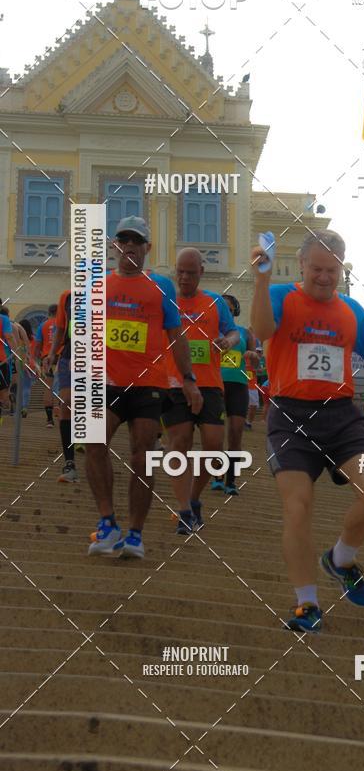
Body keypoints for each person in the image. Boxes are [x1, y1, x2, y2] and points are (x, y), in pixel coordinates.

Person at [250, 230, 364, 633]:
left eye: (332, 270)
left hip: (340, 415)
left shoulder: (351, 310)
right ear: (301, 265)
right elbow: (263, 331)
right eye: (317, 269)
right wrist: (262, 280)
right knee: (298, 506)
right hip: (290, 415)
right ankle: (307, 604)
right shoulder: (282, 296)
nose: (324, 277)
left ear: (342, 268)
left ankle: (340, 558)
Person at [84, 216, 202, 559]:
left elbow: (175, 334)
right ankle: (108, 522)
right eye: (124, 240)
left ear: (147, 248)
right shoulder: (99, 286)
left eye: (137, 240)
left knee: (144, 455)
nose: (130, 246)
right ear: (114, 245)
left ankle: (134, 533)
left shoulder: (161, 286)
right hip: (105, 381)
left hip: (148, 384)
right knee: (93, 442)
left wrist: (189, 379)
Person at [162, 248, 239, 534]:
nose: (184, 277)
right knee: (179, 443)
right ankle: (184, 510)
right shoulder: (167, 302)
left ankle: (194, 499)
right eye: (180, 271)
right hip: (174, 383)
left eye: (190, 273)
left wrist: (228, 341)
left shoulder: (214, 302)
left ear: (201, 272)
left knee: (213, 445)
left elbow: (234, 331)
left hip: (209, 383)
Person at [215, 295, 260, 496]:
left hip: (239, 385)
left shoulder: (244, 333)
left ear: (235, 310)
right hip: (215, 386)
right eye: (221, 307)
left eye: (229, 307)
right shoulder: (209, 331)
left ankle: (231, 480)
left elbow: (256, 362)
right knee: (215, 435)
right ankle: (216, 475)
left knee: (235, 432)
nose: (225, 309)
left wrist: (253, 357)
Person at [47, 290, 78, 483]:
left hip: (99, 359)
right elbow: (60, 327)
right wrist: (52, 353)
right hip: (69, 356)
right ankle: (70, 463)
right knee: (67, 403)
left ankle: (96, 458)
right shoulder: (67, 296)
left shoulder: (109, 292)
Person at [34, 304, 58, 426]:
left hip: (46, 359)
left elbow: (37, 345)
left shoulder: (42, 325)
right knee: (65, 387)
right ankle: (63, 414)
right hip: (61, 357)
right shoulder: (63, 324)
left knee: (48, 387)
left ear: (49, 312)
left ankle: (49, 420)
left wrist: (36, 360)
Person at [18, 319, 38, 416]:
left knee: (18, 387)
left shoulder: (18, 338)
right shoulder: (33, 338)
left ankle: (16, 406)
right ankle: (24, 407)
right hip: (30, 364)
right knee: (27, 387)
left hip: (18, 364)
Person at [0, 306, 15, 422]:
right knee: (4, 388)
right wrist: (16, 352)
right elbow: (9, 337)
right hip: (2, 358)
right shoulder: (4, 319)